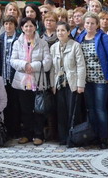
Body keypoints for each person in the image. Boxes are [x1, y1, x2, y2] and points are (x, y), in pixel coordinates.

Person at [75, 12, 108, 148]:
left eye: (92, 23)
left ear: (97, 24)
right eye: (87, 23)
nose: (89, 25)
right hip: (86, 80)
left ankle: (103, 138)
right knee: (90, 109)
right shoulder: (80, 38)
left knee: (100, 109)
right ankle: (93, 135)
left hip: (101, 79)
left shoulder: (103, 38)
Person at [10, 17, 52, 145]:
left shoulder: (42, 43)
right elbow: (12, 60)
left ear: (35, 27)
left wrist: (33, 66)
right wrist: (24, 65)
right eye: (26, 26)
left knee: (38, 109)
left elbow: (48, 62)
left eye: (31, 26)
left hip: (38, 80)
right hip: (22, 82)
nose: (28, 28)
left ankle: (38, 135)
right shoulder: (17, 43)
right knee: (25, 110)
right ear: (22, 28)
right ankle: (26, 134)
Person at [50, 21, 86, 144]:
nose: (60, 33)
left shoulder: (75, 45)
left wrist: (80, 84)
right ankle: (62, 137)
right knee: (61, 112)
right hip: (59, 84)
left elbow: (81, 66)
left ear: (68, 32)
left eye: (63, 30)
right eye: (58, 30)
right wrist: (52, 85)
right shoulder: (53, 47)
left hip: (72, 83)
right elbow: (52, 69)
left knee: (73, 112)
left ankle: (73, 138)